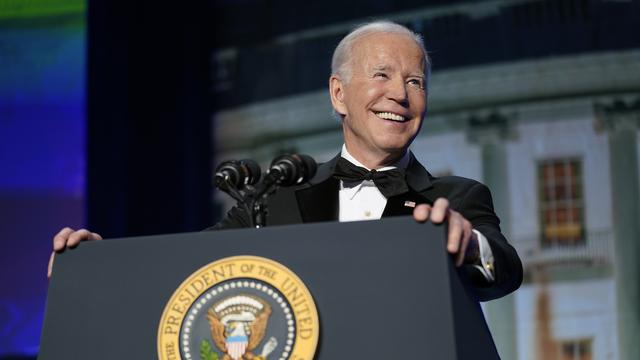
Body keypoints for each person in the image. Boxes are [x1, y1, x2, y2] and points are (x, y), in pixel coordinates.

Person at [50, 21, 522, 301]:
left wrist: (468, 244)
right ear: (339, 94)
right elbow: (186, 267)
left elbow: (504, 267)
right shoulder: (275, 199)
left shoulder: (457, 197)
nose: (399, 94)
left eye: (416, 82)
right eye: (382, 75)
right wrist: (97, 263)